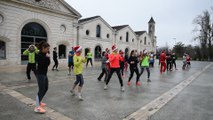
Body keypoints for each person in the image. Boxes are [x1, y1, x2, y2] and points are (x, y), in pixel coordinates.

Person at [34, 41, 50, 113]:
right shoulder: (38, 55)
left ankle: (39, 102)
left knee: (46, 88)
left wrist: (47, 57)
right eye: (47, 49)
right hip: (40, 74)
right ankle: (37, 107)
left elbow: (48, 64)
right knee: (41, 90)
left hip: (44, 74)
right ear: (43, 48)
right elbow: (44, 64)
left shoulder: (45, 54)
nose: (48, 50)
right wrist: (47, 58)